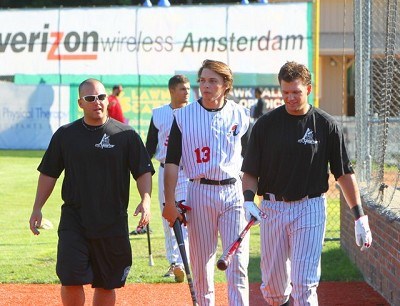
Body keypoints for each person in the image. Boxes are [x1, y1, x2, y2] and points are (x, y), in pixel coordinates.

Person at [241, 61, 373, 306]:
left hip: (310, 208)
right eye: (286, 92)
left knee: (304, 283)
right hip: (272, 209)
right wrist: (248, 200)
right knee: (273, 287)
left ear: (309, 90)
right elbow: (249, 171)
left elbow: (343, 173)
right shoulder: (265, 125)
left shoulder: (326, 125)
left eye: (296, 92)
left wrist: (359, 217)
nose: (290, 98)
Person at [29, 78, 154, 306]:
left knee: (108, 282)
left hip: (112, 222)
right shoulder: (66, 135)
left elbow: (143, 171)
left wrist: (146, 200)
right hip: (74, 220)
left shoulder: (126, 135)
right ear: (80, 103)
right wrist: (37, 207)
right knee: (70, 279)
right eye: (90, 98)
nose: (97, 102)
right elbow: (49, 173)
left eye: (101, 97)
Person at [163, 59, 251, 306]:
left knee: (238, 263)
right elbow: (171, 162)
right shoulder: (182, 116)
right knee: (201, 265)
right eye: (202, 80)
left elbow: (253, 160)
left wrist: (252, 197)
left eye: (213, 81)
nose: (206, 85)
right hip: (199, 191)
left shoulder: (241, 114)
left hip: (234, 191)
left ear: (226, 85)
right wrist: (169, 202)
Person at [145, 74, 191, 282]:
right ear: (172, 90)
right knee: (168, 218)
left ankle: (184, 262)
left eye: (188, 88)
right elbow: (150, 146)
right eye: (183, 88)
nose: (187, 92)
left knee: (187, 217)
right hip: (166, 171)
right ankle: (175, 263)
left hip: (189, 171)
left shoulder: (195, 112)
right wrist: (143, 171)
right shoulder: (159, 114)